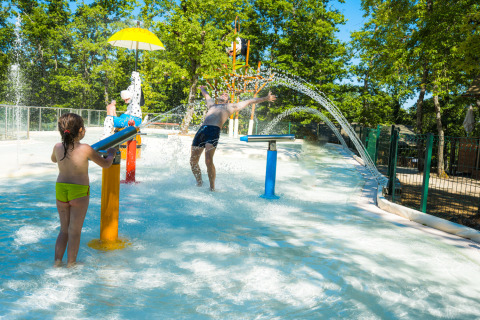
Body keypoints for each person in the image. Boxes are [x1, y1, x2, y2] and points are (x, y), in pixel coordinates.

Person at [52, 113, 116, 267]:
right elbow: (106, 164)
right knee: (74, 231)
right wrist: (111, 154)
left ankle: (57, 262)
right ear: (80, 130)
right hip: (79, 191)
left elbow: (54, 159)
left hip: (61, 189)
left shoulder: (57, 147)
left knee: (64, 230)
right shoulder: (86, 149)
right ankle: (71, 263)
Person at [190, 86, 276, 191]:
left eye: (226, 95)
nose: (224, 94)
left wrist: (266, 98)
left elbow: (250, 101)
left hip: (213, 131)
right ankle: (199, 183)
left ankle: (212, 188)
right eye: (223, 93)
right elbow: (206, 95)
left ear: (228, 100)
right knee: (193, 161)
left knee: (208, 160)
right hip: (201, 131)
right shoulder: (212, 105)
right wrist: (202, 88)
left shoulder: (231, 106)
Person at [102, 71, 143, 138]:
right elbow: (134, 87)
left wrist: (137, 78)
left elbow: (137, 90)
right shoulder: (132, 104)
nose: (124, 100)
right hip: (131, 119)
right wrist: (133, 80)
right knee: (113, 119)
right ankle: (108, 136)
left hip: (133, 120)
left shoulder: (135, 101)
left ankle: (106, 137)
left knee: (109, 119)